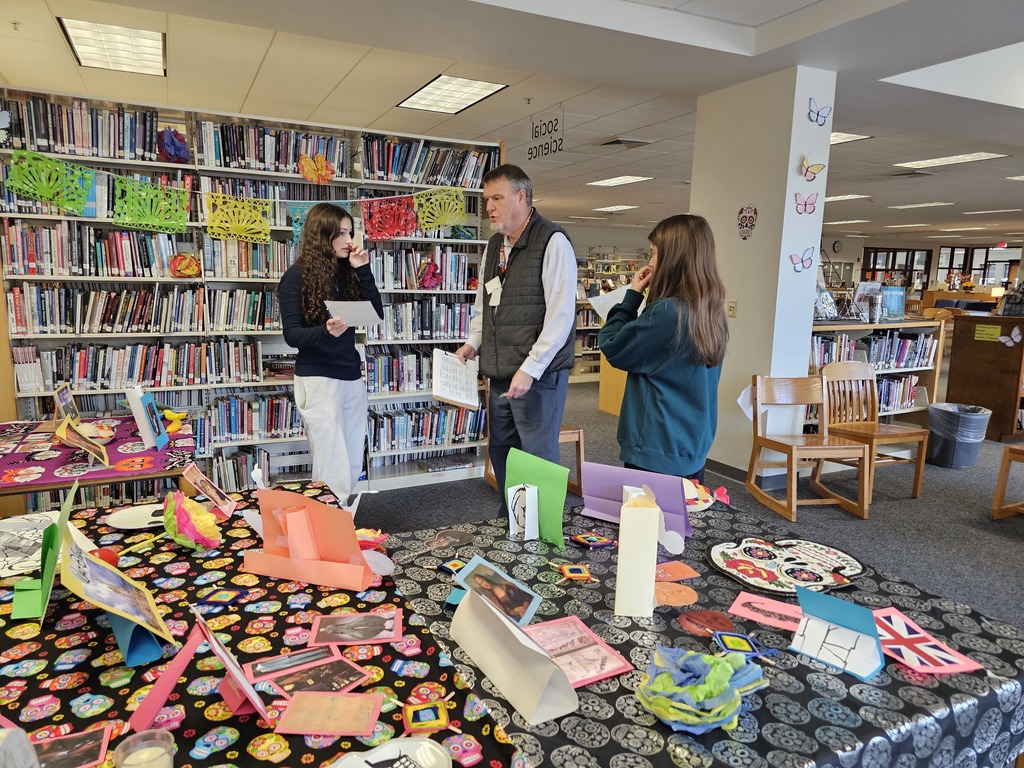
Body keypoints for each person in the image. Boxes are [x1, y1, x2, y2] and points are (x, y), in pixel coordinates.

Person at [456, 165, 577, 510]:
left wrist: (532, 367)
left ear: (521, 197)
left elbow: (561, 317)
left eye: (497, 198)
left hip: (537, 377)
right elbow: (485, 304)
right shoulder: (494, 245)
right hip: (500, 373)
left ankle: (541, 530)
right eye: (486, 200)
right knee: (503, 451)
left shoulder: (552, 242)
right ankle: (515, 520)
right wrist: (473, 343)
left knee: (537, 456)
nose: (489, 207)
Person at [598, 214, 727, 485]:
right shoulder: (712, 310)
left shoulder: (668, 312)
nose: (651, 263)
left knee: (644, 525)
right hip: (692, 445)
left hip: (657, 448)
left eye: (655, 254)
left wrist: (632, 296)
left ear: (674, 257)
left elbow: (612, 345)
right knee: (680, 524)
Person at [278, 203, 382, 502]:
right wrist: (325, 331)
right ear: (323, 235)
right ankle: (327, 532)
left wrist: (363, 270)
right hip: (319, 379)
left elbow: (375, 313)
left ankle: (338, 524)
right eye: (343, 233)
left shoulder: (346, 272)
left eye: (351, 232)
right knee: (331, 464)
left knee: (350, 460)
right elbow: (292, 335)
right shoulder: (296, 277)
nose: (351, 241)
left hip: (350, 375)